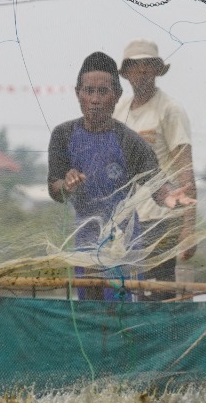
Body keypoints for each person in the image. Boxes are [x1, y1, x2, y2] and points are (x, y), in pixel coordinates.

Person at [47, 52, 193, 300]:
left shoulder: (129, 141)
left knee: (122, 310)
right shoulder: (63, 135)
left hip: (124, 239)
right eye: (88, 91)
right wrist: (67, 185)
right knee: (89, 309)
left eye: (102, 92)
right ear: (77, 93)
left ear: (115, 96)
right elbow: (54, 189)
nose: (94, 99)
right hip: (84, 237)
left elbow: (154, 180)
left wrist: (169, 196)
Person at [113, 39, 197, 291]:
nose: (142, 72)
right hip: (127, 218)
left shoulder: (169, 110)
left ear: (157, 70)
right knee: (127, 293)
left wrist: (189, 228)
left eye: (148, 66)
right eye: (136, 67)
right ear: (126, 73)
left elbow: (185, 169)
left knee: (156, 293)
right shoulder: (119, 109)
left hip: (161, 218)